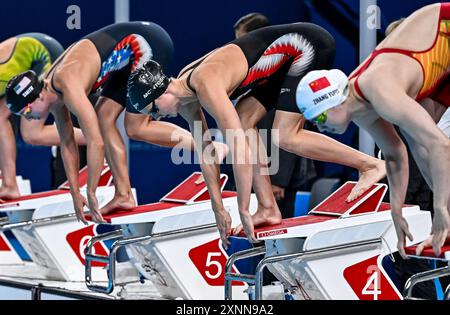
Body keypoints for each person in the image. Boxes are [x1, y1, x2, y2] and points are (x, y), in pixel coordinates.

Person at [127, 22, 386, 247]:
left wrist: (242, 209)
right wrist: (217, 208)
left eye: (155, 111)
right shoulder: (186, 95)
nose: (159, 117)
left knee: (285, 136)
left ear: (160, 93)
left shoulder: (205, 84)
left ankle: (370, 165)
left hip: (306, 46)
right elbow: (207, 154)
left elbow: (239, 149)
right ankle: (267, 207)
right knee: (244, 119)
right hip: (282, 60)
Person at [4, 22, 216, 224]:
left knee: (136, 127)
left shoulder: (66, 84)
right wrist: (74, 192)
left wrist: (91, 191)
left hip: (145, 43)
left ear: (38, 97)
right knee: (104, 117)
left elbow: (96, 143)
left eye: (26, 111)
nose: (27, 117)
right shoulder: (53, 96)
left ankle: (208, 147)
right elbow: (68, 143)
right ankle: (123, 195)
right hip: (125, 60)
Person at [296, 3, 450, 258]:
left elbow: (441, 146)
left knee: (431, 145)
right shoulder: (360, 107)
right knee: (416, 144)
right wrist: (397, 211)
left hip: (444, 29)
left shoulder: (379, 89)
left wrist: (441, 210)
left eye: (319, 117)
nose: (320, 126)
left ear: (335, 102)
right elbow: (394, 154)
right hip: (437, 63)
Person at [233, 13, 317, 218]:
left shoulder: (280, 72)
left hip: (276, 175)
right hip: (255, 168)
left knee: (279, 227)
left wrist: (278, 178)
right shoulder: (254, 71)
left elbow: (287, 128)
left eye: (240, 40)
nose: (236, 46)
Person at [0, 33, 85, 199]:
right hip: (28, 60)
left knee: (31, 133)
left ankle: (95, 138)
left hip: (43, 56)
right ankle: (8, 184)